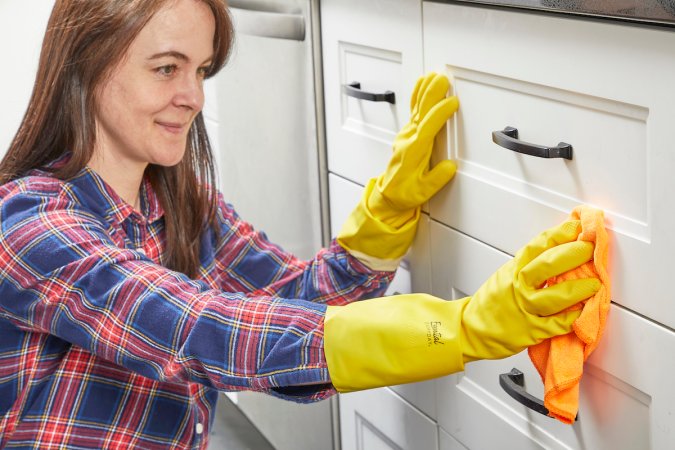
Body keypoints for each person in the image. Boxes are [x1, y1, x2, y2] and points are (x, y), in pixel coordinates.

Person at [0, 0, 600, 448]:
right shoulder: (28, 225)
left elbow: (296, 303)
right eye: (166, 68)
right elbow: (201, 330)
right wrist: (460, 329)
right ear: (87, 65)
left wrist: (381, 223)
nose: (194, 96)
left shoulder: (180, 204)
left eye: (201, 70)